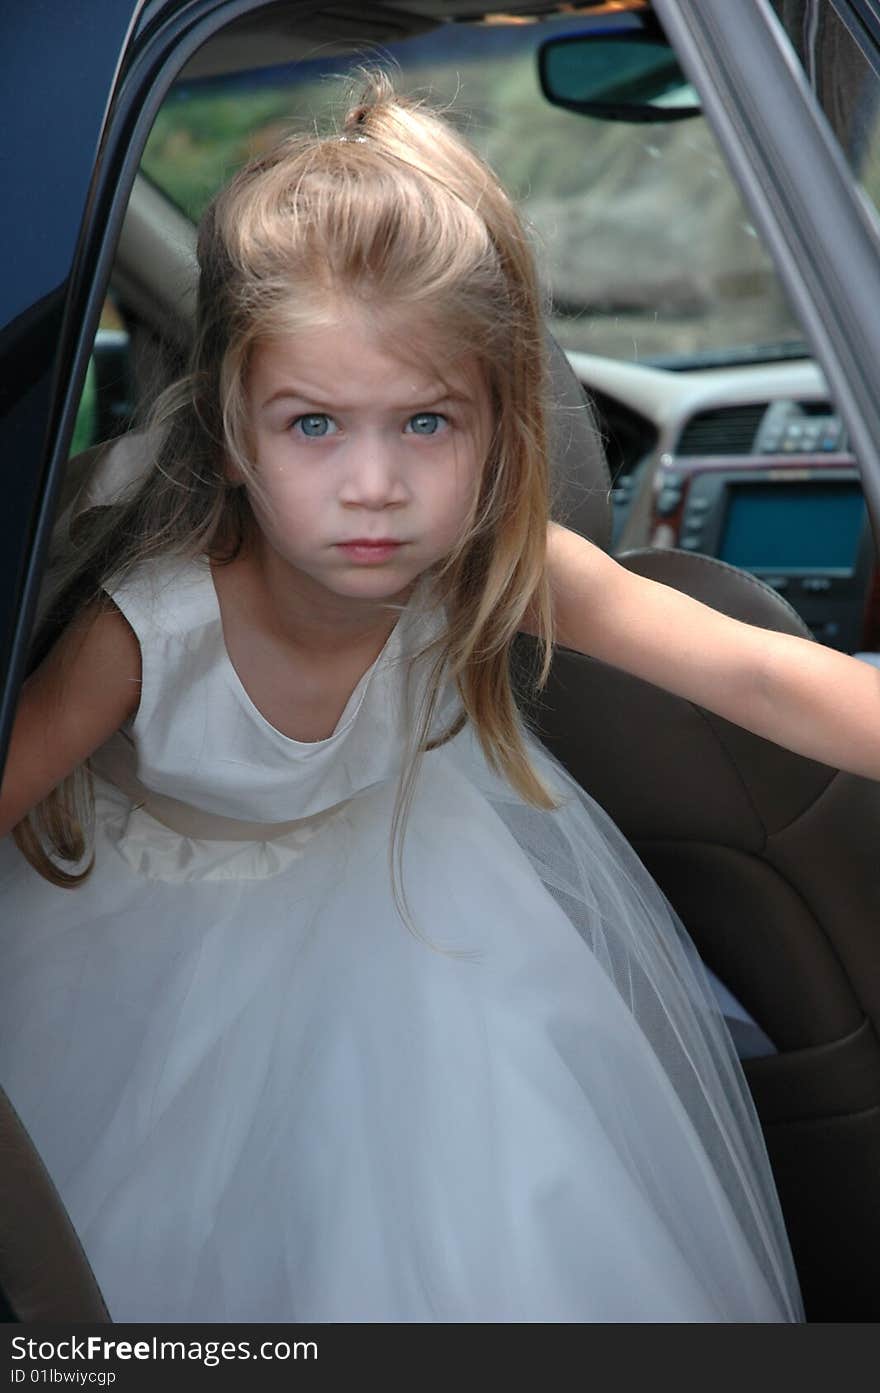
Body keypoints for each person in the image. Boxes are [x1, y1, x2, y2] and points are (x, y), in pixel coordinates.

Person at [4, 72, 877, 1325]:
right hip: (136, 950)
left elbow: (753, 670)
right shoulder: (152, 625)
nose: (374, 485)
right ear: (237, 434)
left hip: (410, 919)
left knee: (504, 1218)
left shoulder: (489, 565)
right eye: (314, 426)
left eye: (426, 421)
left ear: (500, 427)